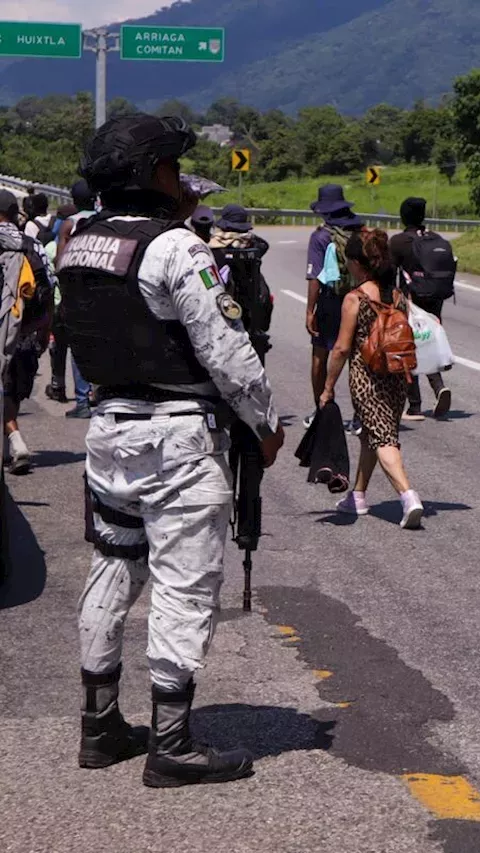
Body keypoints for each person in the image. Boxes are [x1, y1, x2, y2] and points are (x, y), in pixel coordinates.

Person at [59, 114, 285, 787]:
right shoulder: (176, 249)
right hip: (177, 439)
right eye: (172, 167)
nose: (180, 177)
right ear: (149, 173)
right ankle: (173, 742)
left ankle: (100, 728)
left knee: (111, 571)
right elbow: (228, 354)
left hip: (109, 430)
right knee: (185, 586)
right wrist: (267, 425)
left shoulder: (75, 241)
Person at [319, 227, 425, 529]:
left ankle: (408, 497)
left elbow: (340, 348)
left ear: (357, 263)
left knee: (382, 438)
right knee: (372, 433)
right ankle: (358, 496)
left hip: (367, 377)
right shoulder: (397, 295)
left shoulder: (355, 298)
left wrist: (328, 388)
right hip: (395, 375)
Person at [0, 190, 54, 476]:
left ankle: (15, 442)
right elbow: (50, 289)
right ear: (13, 212)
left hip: (2, 329)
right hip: (27, 331)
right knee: (14, 389)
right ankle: (12, 444)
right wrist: (45, 330)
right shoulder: (33, 244)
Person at [306, 184, 363, 432]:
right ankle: (361, 416)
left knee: (320, 355)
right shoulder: (359, 231)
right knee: (357, 360)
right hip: (360, 299)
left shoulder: (321, 236)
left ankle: (323, 411)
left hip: (331, 302)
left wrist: (310, 310)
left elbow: (315, 277)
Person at [389, 197, 452, 420]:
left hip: (411, 301)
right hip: (434, 299)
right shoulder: (436, 239)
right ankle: (438, 388)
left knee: (409, 347)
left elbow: (389, 272)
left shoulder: (398, 242)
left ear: (403, 216)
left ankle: (414, 406)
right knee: (428, 342)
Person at [54, 180, 99, 419]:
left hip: (79, 293)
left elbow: (60, 263)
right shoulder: (106, 220)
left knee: (79, 345)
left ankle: (82, 401)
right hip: (106, 290)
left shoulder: (70, 224)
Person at [209, 204, 273, 360]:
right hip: (249, 309)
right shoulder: (252, 246)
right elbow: (264, 244)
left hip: (223, 307)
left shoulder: (213, 248)